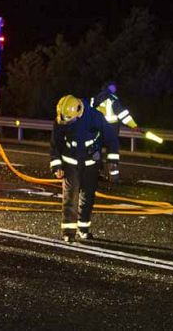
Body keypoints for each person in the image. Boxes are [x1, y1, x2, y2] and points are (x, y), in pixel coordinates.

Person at [50, 95, 120, 243]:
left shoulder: (95, 118)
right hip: (70, 164)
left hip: (90, 165)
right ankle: (68, 232)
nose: (66, 121)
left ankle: (84, 229)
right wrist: (57, 165)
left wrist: (112, 164)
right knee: (71, 197)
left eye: (69, 118)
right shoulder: (62, 118)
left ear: (79, 110)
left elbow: (112, 139)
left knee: (88, 198)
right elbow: (55, 144)